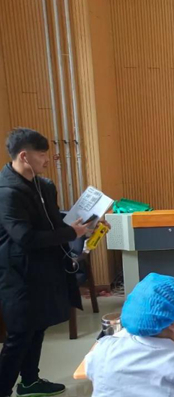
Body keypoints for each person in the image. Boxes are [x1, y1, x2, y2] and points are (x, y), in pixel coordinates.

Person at [0, 128, 91, 397]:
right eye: (41, 155)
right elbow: (25, 237)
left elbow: (54, 220)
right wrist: (70, 233)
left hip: (44, 269)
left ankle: (29, 381)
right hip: (18, 274)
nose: (47, 160)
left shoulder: (44, 186)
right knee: (19, 335)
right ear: (24, 156)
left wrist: (88, 224)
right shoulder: (7, 192)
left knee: (38, 326)